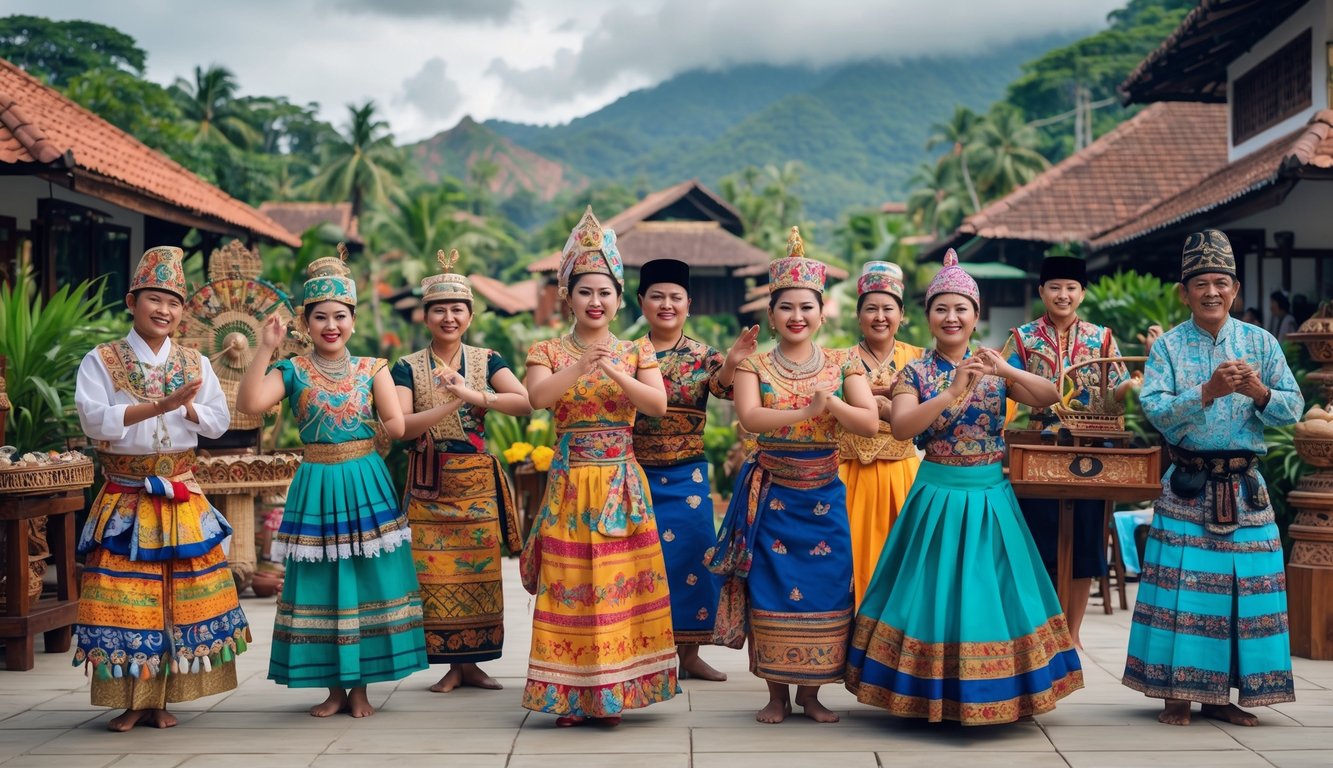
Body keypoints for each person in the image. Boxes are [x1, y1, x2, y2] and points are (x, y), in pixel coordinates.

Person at [845, 249, 1083, 726]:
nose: (951, 318)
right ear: (928, 317)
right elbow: (905, 428)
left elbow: (1053, 395)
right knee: (930, 590)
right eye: (941, 309)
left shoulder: (996, 368)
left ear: (977, 316)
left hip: (992, 495)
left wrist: (1006, 369)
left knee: (994, 590)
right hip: (936, 492)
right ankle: (923, 690)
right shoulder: (916, 372)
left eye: (961, 309)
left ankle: (1002, 689)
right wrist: (953, 391)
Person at [238, 245, 426, 718]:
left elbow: (398, 427)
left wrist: (431, 408)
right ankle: (333, 689)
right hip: (318, 482)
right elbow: (250, 405)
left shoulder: (373, 369)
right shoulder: (294, 369)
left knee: (366, 581)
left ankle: (360, 687)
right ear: (305, 323)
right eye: (320, 317)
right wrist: (265, 347)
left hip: (365, 479)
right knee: (322, 583)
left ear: (353, 320)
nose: (331, 326)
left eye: (340, 316)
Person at [1123, 230, 1301, 727]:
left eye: (1221, 282)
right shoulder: (1169, 349)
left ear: (1235, 290)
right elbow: (1154, 411)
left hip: (1246, 490)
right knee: (1179, 590)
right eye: (1200, 283)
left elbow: (1293, 409)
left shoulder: (1261, 343)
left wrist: (1261, 392)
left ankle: (1221, 696)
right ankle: (1174, 693)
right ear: (1184, 292)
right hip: (1188, 486)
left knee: (1242, 595)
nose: (1211, 292)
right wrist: (1207, 390)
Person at [73, 246, 250, 732]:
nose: (164, 310)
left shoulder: (195, 362)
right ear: (132, 301)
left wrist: (185, 408)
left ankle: (164, 697)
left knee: (180, 595)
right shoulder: (102, 359)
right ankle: (132, 700)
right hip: (126, 497)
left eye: (173, 302)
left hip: (181, 494)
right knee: (127, 598)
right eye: (155, 299)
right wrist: (158, 406)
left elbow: (217, 421)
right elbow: (93, 421)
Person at [706, 227, 879, 725]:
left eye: (807, 307)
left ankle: (813, 694)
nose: (797, 317)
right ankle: (776, 694)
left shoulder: (846, 362)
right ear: (771, 314)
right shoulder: (754, 365)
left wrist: (835, 404)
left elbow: (868, 422)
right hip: (772, 496)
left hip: (823, 494)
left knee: (827, 588)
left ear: (823, 313)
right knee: (771, 589)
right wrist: (809, 409)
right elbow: (750, 420)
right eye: (786, 308)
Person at [520, 207, 675, 727]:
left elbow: (656, 405)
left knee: (618, 583)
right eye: (585, 291)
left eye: (605, 291)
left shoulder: (637, 349)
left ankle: (617, 693)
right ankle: (570, 695)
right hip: (569, 484)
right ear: (567, 296)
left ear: (617, 297)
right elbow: (538, 397)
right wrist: (581, 366)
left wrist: (612, 367)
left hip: (621, 481)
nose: (595, 301)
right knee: (570, 584)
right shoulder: (546, 349)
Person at [392, 249, 531, 693]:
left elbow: (524, 402)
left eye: (457, 309)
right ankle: (452, 666)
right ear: (425, 316)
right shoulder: (406, 366)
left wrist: (475, 394)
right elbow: (401, 426)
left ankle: (474, 663)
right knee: (434, 577)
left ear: (469, 315)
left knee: (481, 574)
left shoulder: (487, 359)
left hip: (475, 483)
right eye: (439, 309)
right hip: (430, 482)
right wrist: (453, 401)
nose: (448, 317)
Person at [632, 258, 757, 682]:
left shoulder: (704, 355)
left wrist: (733, 362)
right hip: (634, 472)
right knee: (638, 564)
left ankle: (689, 655)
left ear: (689, 304)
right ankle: (642, 654)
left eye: (675, 298)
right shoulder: (626, 352)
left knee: (693, 557)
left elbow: (724, 389)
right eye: (657, 297)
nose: (666, 305)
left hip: (688, 476)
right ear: (641, 302)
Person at [1003, 254, 1133, 648]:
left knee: (1085, 544)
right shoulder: (1022, 338)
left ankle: (1073, 633)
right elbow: (1002, 386)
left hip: (1092, 451)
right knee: (1039, 544)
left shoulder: (1103, 337)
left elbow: (1120, 390)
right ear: (1042, 291)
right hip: (1039, 448)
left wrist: (1142, 381)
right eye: (1055, 287)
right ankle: (1043, 632)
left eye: (1071, 287)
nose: (1063, 295)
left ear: (1082, 292)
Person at [839, 261, 924, 607]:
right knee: (849, 559)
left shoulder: (919, 359)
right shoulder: (839, 360)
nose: (879, 316)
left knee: (903, 561)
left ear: (902, 314)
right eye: (871, 308)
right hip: (849, 473)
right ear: (858, 316)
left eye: (888, 308)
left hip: (902, 474)